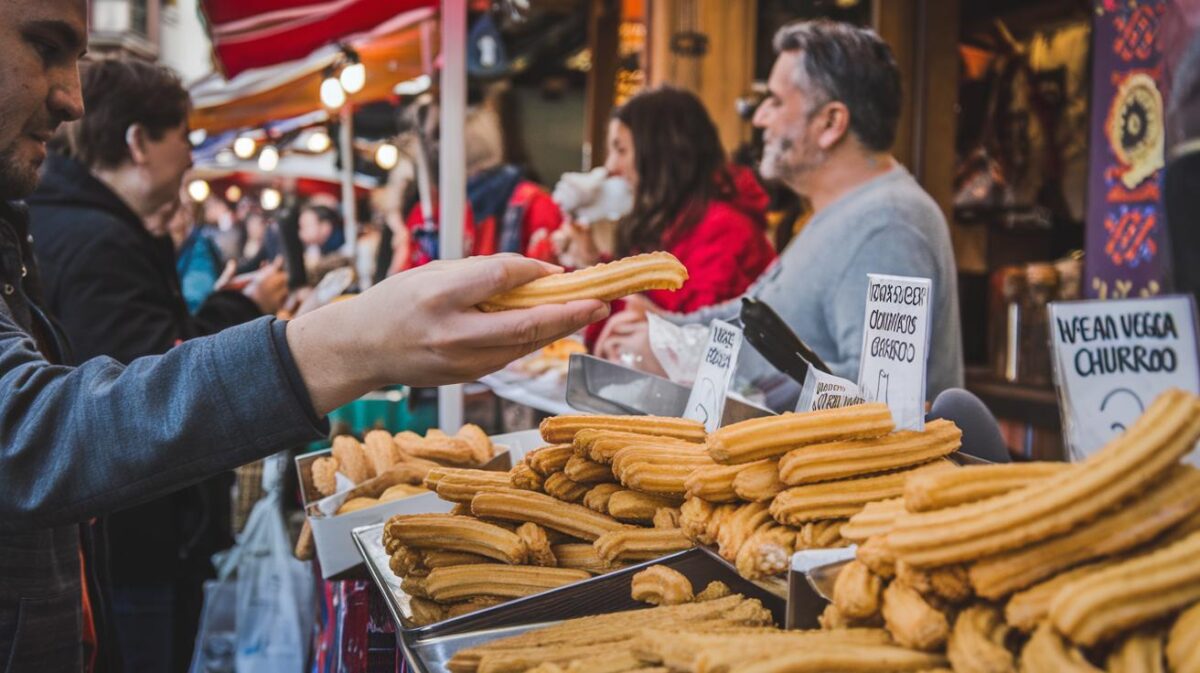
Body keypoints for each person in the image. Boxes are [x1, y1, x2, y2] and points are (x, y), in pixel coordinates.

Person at [0, 1, 606, 669]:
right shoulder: (86, 236)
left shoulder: (26, 229)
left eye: (77, 58)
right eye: (44, 45)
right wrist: (347, 343)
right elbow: (28, 433)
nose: (72, 99)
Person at [25, 57, 297, 672]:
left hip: (124, 539)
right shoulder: (98, 241)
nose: (192, 157)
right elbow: (147, 390)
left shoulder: (84, 225)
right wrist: (246, 311)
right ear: (139, 141)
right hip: (135, 543)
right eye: (185, 136)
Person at [597, 20, 963, 408]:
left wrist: (681, 357)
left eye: (775, 101)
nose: (759, 119)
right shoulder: (837, 214)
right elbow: (754, 318)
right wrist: (666, 332)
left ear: (830, 123)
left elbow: (876, 402)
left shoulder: (889, 224)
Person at [559, 87, 775, 331]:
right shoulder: (672, 219)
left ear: (662, 153)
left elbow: (691, 340)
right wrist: (591, 262)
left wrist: (597, 282)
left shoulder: (725, 230)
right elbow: (651, 298)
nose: (611, 166)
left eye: (621, 150)